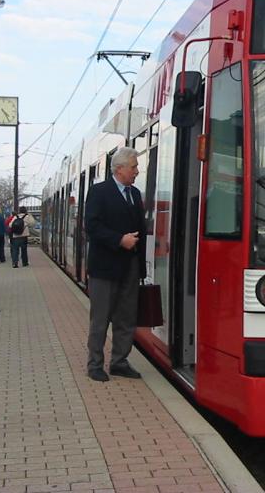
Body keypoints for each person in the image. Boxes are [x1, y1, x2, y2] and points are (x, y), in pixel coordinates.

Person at [84, 147, 146, 382]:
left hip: (130, 267)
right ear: (119, 168)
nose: (137, 171)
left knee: (126, 317)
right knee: (101, 318)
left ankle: (119, 362)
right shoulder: (99, 192)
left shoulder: (135, 194)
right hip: (105, 267)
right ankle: (95, 364)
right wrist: (120, 240)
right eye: (134, 167)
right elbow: (91, 226)